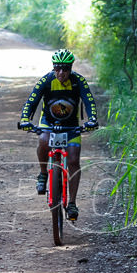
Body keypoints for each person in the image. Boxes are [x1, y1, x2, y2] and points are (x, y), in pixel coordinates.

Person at [18, 49, 98, 221]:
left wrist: (92, 120)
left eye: (65, 69)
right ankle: (43, 173)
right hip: (49, 122)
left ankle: (72, 203)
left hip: (71, 125)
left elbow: (88, 100)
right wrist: (25, 119)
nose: (61, 72)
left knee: (74, 160)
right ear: (53, 68)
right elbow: (32, 100)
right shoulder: (46, 80)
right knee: (43, 140)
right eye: (58, 68)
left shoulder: (78, 81)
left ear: (71, 68)